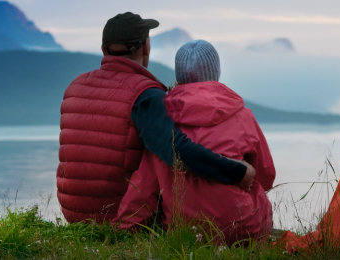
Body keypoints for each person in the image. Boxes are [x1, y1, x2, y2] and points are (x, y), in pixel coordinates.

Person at [57, 12, 256, 223]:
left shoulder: (75, 86)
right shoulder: (145, 94)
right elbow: (177, 151)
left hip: (74, 214)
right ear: (145, 47)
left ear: (104, 49)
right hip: (118, 215)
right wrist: (237, 171)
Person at [113, 40, 275, 244]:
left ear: (179, 76)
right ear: (216, 72)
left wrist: (122, 229)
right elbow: (266, 175)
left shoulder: (163, 123)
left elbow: (144, 187)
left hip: (187, 231)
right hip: (245, 228)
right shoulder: (242, 115)